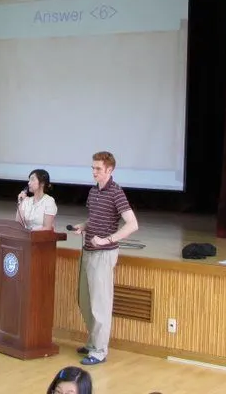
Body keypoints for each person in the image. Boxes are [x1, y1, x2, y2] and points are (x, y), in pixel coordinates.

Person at [71, 151, 138, 366]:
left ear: (110, 170)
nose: (94, 172)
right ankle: (92, 342)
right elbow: (95, 217)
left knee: (100, 303)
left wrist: (108, 239)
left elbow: (132, 224)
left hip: (104, 254)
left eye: (98, 169)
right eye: (93, 168)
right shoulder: (93, 192)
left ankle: (100, 351)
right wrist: (84, 226)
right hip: (88, 250)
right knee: (84, 300)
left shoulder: (116, 193)